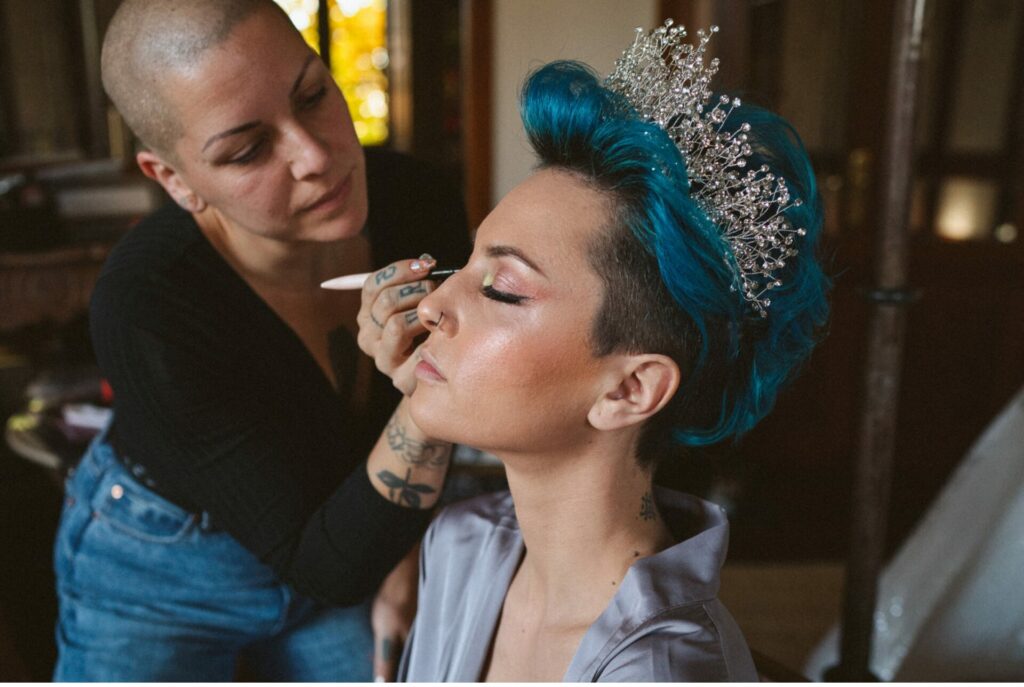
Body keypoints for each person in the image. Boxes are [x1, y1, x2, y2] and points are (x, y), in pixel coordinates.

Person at [381, 22, 830, 682]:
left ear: (629, 389)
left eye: (502, 288)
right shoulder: (459, 546)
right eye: (461, 264)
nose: (432, 305)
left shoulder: (663, 668)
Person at [52, 0, 469, 681]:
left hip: (352, 521)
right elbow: (326, 563)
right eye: (247, 150)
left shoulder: (416, 198)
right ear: (175, 179)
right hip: (161, 566)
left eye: (312, 94)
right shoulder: (147, 305)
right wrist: (429, 401)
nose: (316, 156)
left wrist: (406, 557)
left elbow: (338, 559)